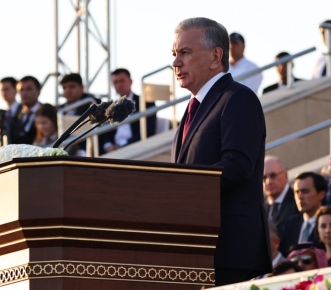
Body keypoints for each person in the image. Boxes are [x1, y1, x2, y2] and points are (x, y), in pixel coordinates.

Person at [171, 17, 271, 285]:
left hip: (227, 248)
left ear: (216, 56)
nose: (176, 63)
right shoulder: (192, 110)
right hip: (195, 249)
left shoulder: (238, 98)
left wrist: (175, 185)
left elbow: (237, 165)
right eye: (174, 54)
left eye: (185, 52)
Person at [101, 68, 156, 153]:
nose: (119, 85)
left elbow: (149, 130)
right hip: (113, 152)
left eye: (122, 81)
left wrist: (123, 145)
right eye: (116, 82)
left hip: (136, 149)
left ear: (131, 81)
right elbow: (105, 132)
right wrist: (108, 146)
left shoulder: (145, 103)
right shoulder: (110, 107)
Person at [280, 172, 326, 256]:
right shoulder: (291, 223)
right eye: (296, 192)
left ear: (321, 194)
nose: (300, 197)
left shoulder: (328, 223)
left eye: (305, 191)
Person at [264, 156, 298, 239]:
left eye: (273, 176)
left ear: (286, 176)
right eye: (264, 178)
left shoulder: (298, 201)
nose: (268, 182)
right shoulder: (260, 206)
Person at [10, 76, 42, 144]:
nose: (24, 93)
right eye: (21, 90)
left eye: (29, 89)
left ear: (38, 91)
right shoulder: (14, 116)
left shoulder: (47, 112)